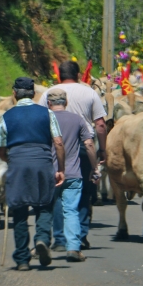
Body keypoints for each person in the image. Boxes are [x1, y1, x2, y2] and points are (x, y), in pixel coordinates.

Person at [0, 77, 65, 271]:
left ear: (14, 93)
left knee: (19, 209)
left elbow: (1, 148)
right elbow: (58, 143)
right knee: (44, 204)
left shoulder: (6, 116)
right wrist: (60, 169)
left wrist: (10, 160)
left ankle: (22, 259)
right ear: (34, 94)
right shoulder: (47, 113)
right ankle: (42, 239)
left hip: (17, 163)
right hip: (42, 162)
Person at [38, 60, 107, 250]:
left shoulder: (48, 93)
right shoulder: (89, 93)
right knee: (83, 192)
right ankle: (80, 236)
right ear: (78, 75)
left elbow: (40, 120)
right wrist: (102, 149)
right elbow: (100, 124)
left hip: (54, 147)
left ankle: (59, 239)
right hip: (83, 148)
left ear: (59, 75)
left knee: (58, 193)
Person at [47, 89, 98, 262]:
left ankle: (47, 242)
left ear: (49, 104)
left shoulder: (44, 118)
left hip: (49, 173)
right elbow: (89, 144)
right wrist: (94, 167)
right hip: (73, 173)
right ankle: (73, 248)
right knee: (71, 210)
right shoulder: (77, 120)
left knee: (47, 208)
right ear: (66, 102)